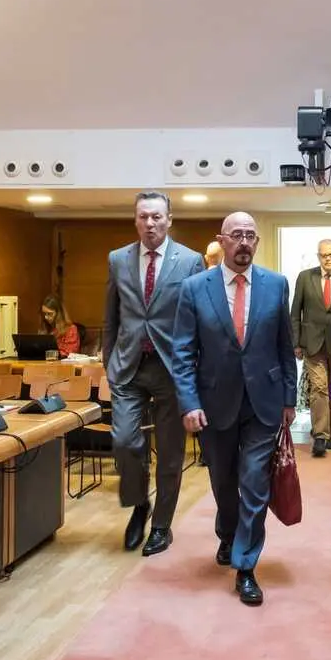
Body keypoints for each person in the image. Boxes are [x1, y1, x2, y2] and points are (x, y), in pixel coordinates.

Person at [172, 211, 297, 606]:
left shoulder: (276, 285)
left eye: (250, 236)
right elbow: (182, 352)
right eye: (236, 235)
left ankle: (245, 566)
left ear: (256, 243)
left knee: (255, 482)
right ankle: (228, 533)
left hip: (263, 402)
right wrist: (189, 403)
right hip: (214, 404)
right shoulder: (194, 288)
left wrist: (289, 399)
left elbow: (284, 346)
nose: (244, 242)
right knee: (224, 483)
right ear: (222, 241)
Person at [103, 190, 205, 557]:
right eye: (143, 216)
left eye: (157, 217)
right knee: (126, 443)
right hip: (129, 367)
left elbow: (198, 321)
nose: (150, 223)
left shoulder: (190, 262)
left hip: (171, 370)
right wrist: (108, 362)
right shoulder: (118, 259)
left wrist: (194, 374)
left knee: (172, 454)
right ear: (135, 220)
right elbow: (111, 316)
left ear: (169, 219)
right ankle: (138, 504)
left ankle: (161, 525)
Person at [290, 239, 331, 457]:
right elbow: (295, 313)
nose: (328, 258)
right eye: (323, 255)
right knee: (318, 387)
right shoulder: (305, 277)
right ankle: (320, 435)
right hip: (313, 343)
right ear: (318, 256)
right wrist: (296, 342)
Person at [39, 294, 81, 358]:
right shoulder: (45, 328)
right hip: (46, 364)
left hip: (64, 365)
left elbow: (69, 353)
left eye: (50, 314)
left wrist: (48, 353)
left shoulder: (71, 329)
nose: (46, 317)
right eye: (44, 314)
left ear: (59, 313)